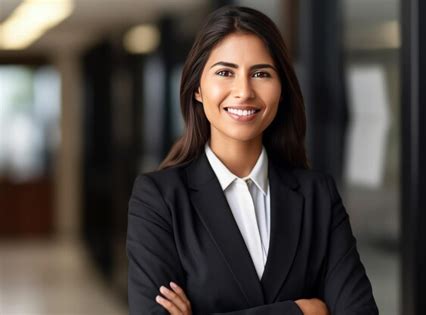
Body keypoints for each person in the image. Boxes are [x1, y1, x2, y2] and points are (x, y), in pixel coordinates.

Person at [127, 5, 378, 315]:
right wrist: (302, 311)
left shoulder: (317, 195)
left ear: (282, 88)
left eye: (261, 73)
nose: (244, 91)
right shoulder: (159, 198)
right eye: (224, 72)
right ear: (197, 89)